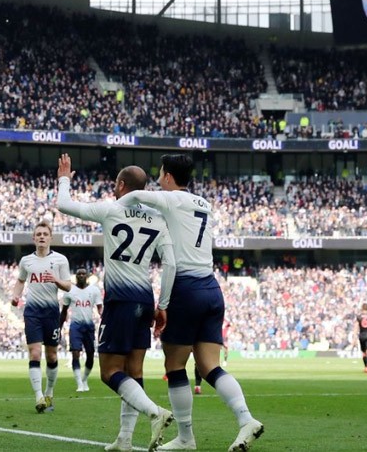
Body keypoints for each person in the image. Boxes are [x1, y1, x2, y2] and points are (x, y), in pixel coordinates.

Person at [118, 154, 264, 452]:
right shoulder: (204, 204)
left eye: (160, 174)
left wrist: (115, 204)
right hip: (211, 286)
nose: (158, 179)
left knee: (174, 365)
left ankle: (186, 437)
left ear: (169, 177)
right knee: (210, 365)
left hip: (186, 287)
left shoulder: (171, 199)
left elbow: (133, 194)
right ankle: (245, 419)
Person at [56, 154, 175, 452]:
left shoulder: (111, 209)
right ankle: (124, 439)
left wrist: (65, 178)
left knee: (109, 372)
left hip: (121, 300)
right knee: (134, 371)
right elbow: (170, 264)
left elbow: (65, 205)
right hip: (145, 299)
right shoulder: (158, 219)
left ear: (121, 186)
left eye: (115, 184)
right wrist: (164, 305)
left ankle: (154, 412)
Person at [10, 221, 72, 414]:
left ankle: (49, 392)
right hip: (33, 312)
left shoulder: (61, 260)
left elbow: (68, 286)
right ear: (34, 238)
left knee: (52, 355)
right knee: (35, 353)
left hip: (51, 312)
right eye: (39, 234)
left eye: (45, 234)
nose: (42, 237)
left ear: (50, 237)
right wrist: (16, 295)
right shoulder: (26, 261)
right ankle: (38, 396)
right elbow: (20, 281)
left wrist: (55, 280)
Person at [60, 267, 103, 392]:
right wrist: (59, 326)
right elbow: (64, 311)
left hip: (89, 325)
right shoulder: (70, 291)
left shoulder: (94, 290)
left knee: (90, 355)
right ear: (76, 276)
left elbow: (100, 307)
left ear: (87, 276)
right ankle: (79, 383)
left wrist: (103, 315)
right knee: (75, 353)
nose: (81, 275)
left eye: (84, 273)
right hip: (76, 325)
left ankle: (84, 379)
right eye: (79, 273)